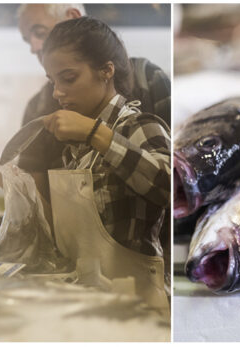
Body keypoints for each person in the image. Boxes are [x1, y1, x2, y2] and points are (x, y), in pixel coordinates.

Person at [33, 16, 171, 313]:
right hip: (85, 303)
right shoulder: (75, 146)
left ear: (106, 71)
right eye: (52, 81)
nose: (57, 92)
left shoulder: (140, 127)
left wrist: (98, 135)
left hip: (137, 307)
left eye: (68, 79)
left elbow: (169, 188)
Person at [14, 4, 171, 173]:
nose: (34, 47)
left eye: (39, 33)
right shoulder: (38, 109)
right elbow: (32, 177)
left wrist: (94, 133)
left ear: (106, 71)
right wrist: (15, 183)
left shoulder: (147, 84)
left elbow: (169, 177)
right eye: (53, 82)